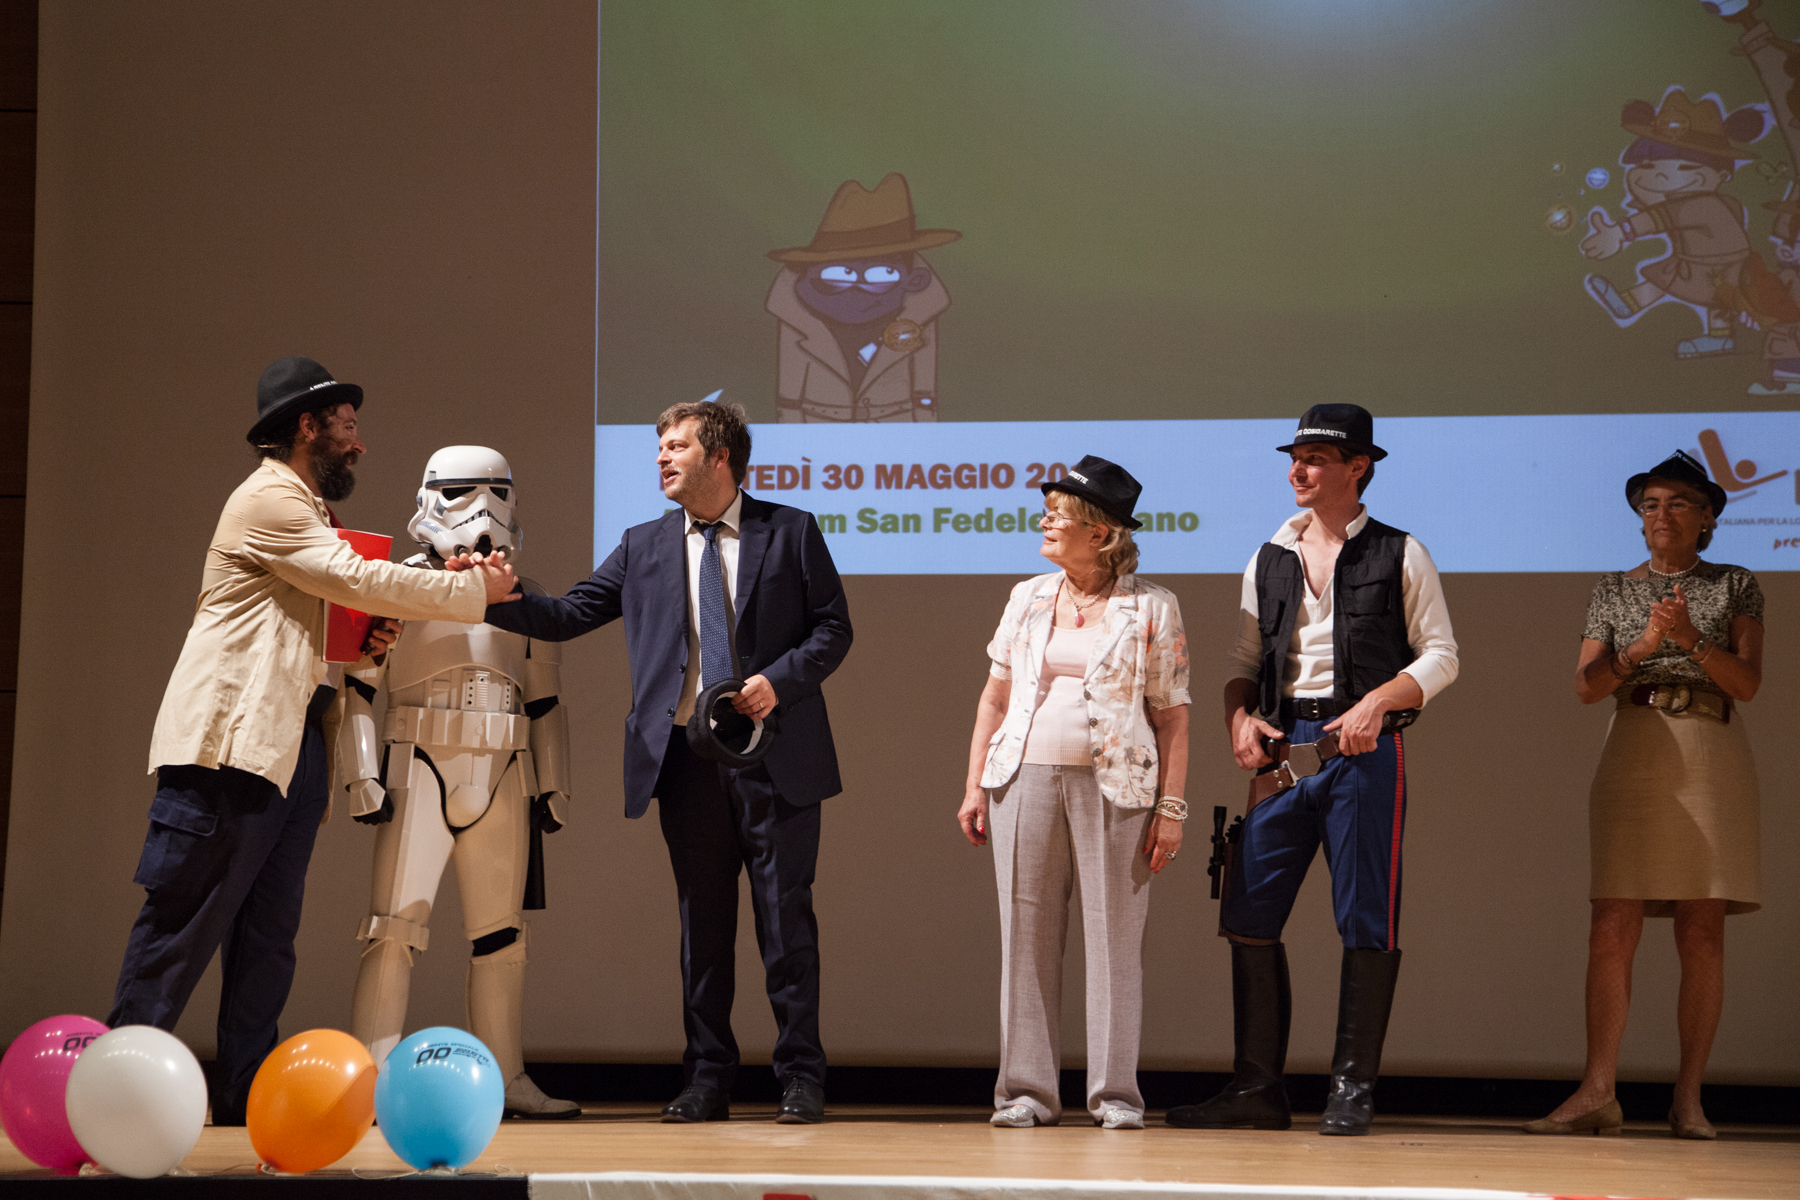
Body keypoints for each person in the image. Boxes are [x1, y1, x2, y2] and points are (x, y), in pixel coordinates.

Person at [110, 356, 517, 1124]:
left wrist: (366, 644)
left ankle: (242, 1103)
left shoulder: (312, 513)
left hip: (291, 745)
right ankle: (117, 1097)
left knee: (267, 938)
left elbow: (319, 625)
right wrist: (471, 589)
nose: (359, 444)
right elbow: (354, 579)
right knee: (181, 925)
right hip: (231, 749)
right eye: (348, 427)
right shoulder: (269, 499)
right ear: (307, 426)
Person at [481, 400, 852, 1124]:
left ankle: (800, 1077)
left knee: (786, 925)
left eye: (677, 445)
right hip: (686, 761)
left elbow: (833, 628)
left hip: (776, 755)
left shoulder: (791, 531)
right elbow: (569, 614)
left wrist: (779, 681)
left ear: (720, 457)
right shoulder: (643, 544)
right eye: (659, 447)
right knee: (702, 929)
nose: (661, 457)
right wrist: (497, 595)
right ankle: (707, 1078)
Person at [1167, 404, 1458, 1137]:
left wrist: (1378, 703)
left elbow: (1442, 656)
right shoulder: (1269, 555)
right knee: (1248, 912)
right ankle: (1256, 1089)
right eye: (1295, 458)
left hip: (1361, 750)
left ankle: (1352, 1091)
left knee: (1366, 915)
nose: (1299, 470)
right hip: (1282, 752)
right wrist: (1239, 722)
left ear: (1359, 467)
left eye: (1316, 459)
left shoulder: (1400, 551)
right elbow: (1243, 661)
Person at [1525, 450, 1763, 1141]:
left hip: (1711, 747)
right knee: (1611, 920)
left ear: (1708, 517)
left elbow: (1748, 683)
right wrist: (1643, 646)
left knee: (1702, 925)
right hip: (1634, 742)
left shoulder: (1735, 583)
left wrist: (1690, 640)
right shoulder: (1613, 588)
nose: (1663, 515)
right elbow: (1585, 687)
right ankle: (1598, 1090)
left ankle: (1688, 1098)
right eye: (1651, 505)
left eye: (1679, 503)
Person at [340, 446, 579, 1118]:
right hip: (419, 765)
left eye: (496, 492)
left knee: (502, 937)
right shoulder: (396, 586)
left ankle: (506, 1077)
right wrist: (360, 774)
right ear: (429, 499)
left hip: (504, 771)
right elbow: (358, 689)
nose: (481, 510)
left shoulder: (526, 597)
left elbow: (545, 701)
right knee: (393, 929)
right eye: (462, 492)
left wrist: (553, 784)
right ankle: (367, 1080)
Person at [957, 456, 1189, 1130]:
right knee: (1024, 938)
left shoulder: (1151, 606)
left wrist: (1171, 809)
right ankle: (1026, 1092)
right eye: (1048, 512)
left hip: (1118, 789)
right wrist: (974, 785)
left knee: (1114, 942)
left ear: (1100, 532)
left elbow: (1173, 716)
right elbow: (994, 698)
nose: (1046, 523)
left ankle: (1115, 1096)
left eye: (1059, 515)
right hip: (1021, 779)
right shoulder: (1028, 597)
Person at [766, 173, 958, 422]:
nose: (857, 288)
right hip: (821, 433)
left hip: (894, 430)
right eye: (839, 274)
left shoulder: (921, 311)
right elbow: (788, 399)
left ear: (913, 280)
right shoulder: (795, 313)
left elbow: (924, 393)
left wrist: (923, 438)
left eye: (880, 274)